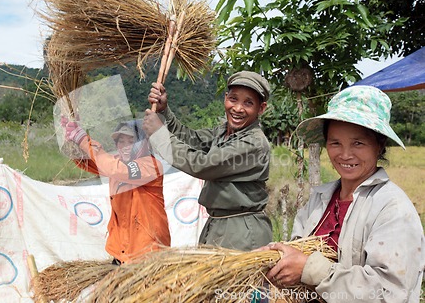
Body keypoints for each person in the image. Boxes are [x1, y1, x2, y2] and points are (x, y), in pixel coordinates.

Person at [262, 85, 424, 302]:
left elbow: (389, 292)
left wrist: (311, 269)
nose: (345, 154)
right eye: (335, 143)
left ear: (379, 144)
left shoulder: (392, 209)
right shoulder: (319, 200)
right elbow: (297, 252)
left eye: (358, 143)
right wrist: (275, 258)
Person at [143, 71, 273, 251]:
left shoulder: (254, 143)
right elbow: (192, 139)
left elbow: (202, 165)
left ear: (261, 108)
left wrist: (159, 134)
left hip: (241, 232)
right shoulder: (224, 132)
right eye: (233, 99)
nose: (238, 108)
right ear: (225, 98)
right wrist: (164, 110)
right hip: (218, 224)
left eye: (248, 103)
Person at [61, 117, 171, 264]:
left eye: (131, 142)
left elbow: (115, 168)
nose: (125, 146)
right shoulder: (118, 162)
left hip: (148, 251)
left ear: (142, 145)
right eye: (121, 141)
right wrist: (72, 141)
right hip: (122, 251)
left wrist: (82, 138)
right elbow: (91, 162)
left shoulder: (151, 165)